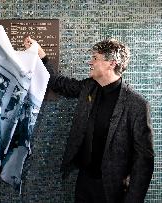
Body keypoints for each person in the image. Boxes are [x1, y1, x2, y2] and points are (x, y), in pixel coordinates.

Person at [24, 37, 154, 203]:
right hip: (84, 181)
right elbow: (58, 83)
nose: (89, 62)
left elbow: (144, 159)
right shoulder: (89, 87)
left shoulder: (137, 105)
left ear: (111, 63)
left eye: (95, 58)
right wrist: (42, 56)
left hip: (113, 189)